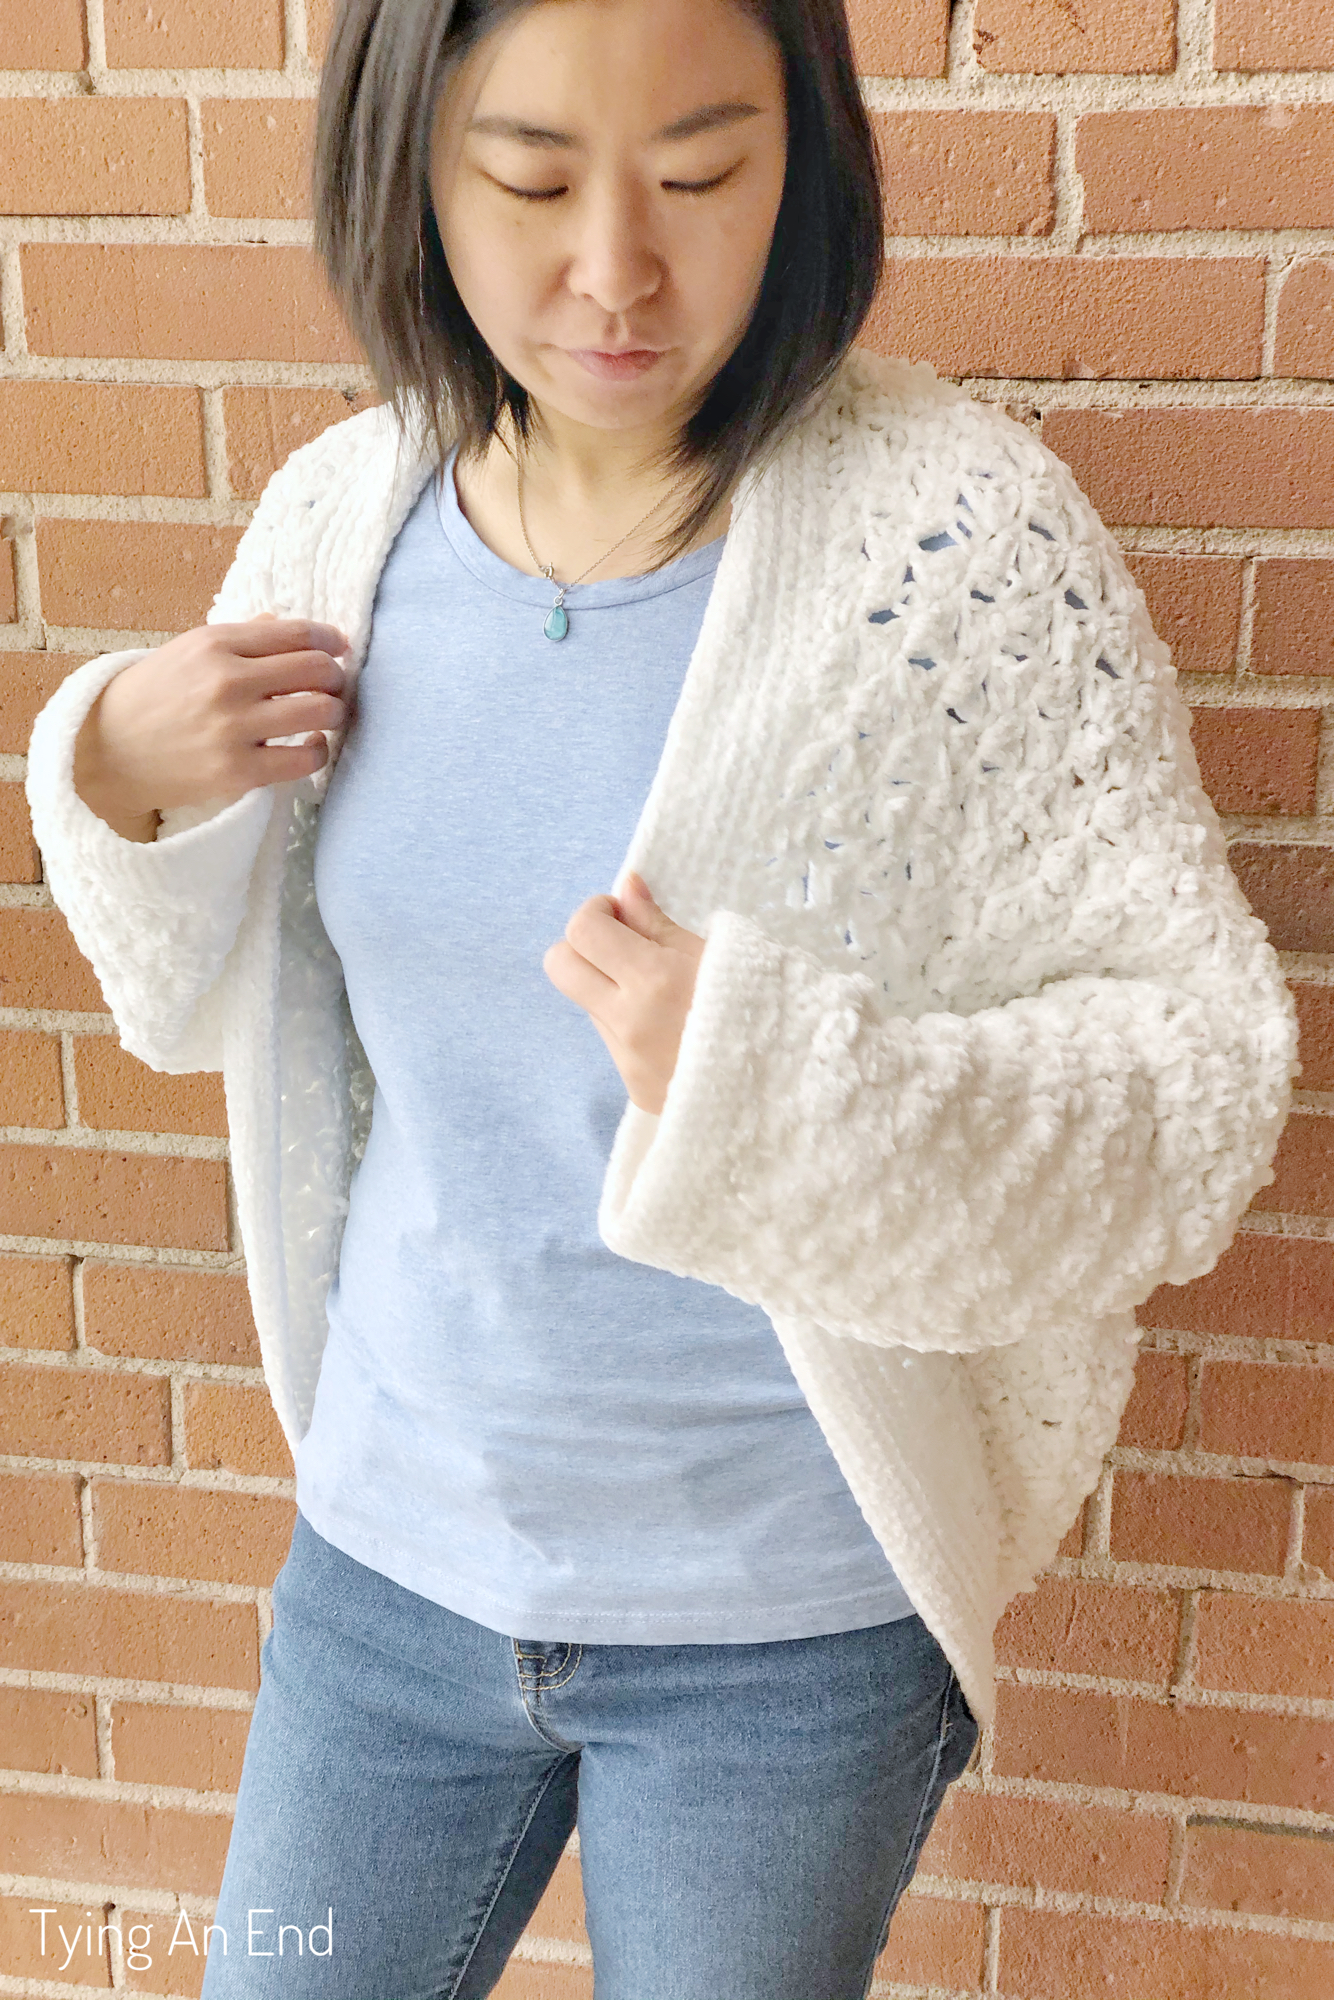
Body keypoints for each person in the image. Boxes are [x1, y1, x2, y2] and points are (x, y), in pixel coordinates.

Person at [25, 1, 1298, 1995]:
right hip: (384, 1564)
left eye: (702, 172)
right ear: (406, 165)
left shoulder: (956, 545)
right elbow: (194, 995)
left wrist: (782, 1088)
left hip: (783, 1636)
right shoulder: (337, 520)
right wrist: (103, 773)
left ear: (804, 160)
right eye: (527, 176)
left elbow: (1199, 1082)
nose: (616, 268)